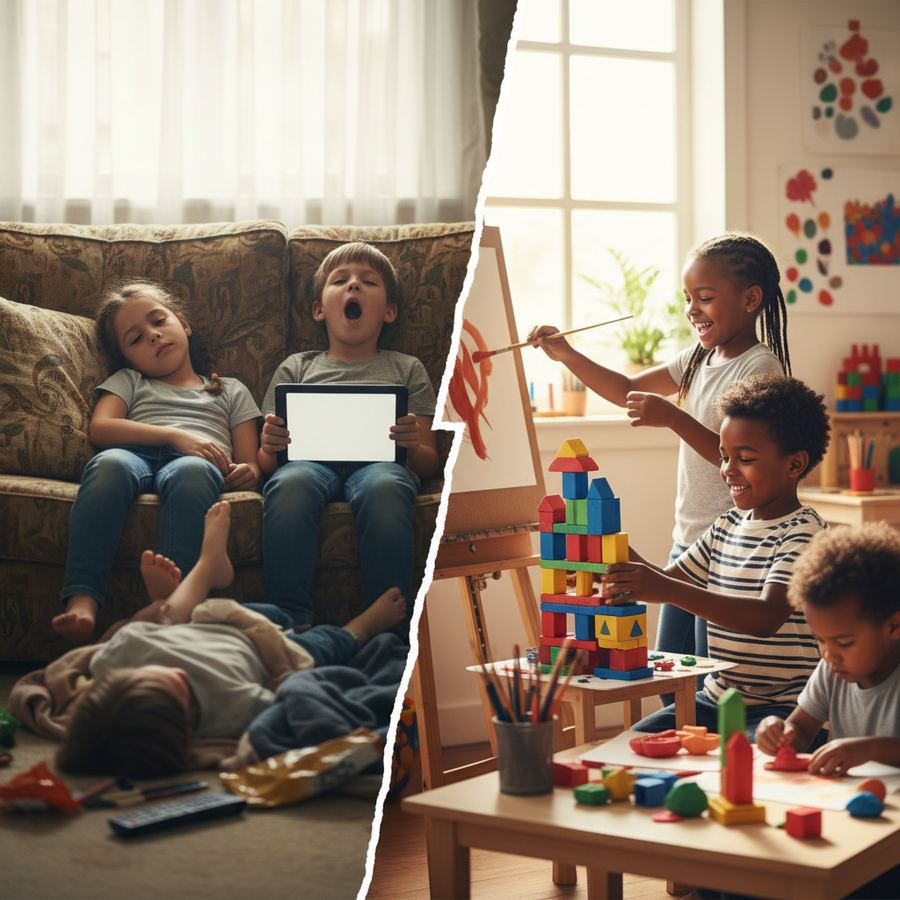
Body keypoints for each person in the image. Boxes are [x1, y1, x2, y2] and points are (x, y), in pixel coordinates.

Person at [529, 234, 791, 670]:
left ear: (750, 299)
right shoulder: (696, 358)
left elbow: (742, 459)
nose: (692, 310)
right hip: (688, 542)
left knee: (710, 675)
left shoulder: (759, 368)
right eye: (688, 298)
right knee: (674, 666)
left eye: (704, 298)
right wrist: (567, 355)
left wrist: (673, 418)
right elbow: (628, 389)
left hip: (733, 549)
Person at [54, 501, 406, 777]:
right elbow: (287, 693)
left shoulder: (115, 659)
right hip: (269, 647)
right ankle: (361, 627)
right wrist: (278, 663)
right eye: (183, 701)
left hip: (219, 619)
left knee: (164, 619)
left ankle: (204, 569)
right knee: (322, 646)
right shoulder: (231, 710)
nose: (180, 677)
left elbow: (94, 668)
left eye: (159, 680)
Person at [601, 374, 829, 739]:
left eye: (745, 458)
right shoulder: (726, 525)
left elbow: (766, 617)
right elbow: (665, 580)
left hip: (785, 711)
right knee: (631, 744)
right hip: (715, 701)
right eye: (724, 457)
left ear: (794, 464)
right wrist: (604, 545)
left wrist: (668, 590)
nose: (728, 470)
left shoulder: (804, 534)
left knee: (756, 765)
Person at [52, 281, 262, 643]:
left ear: (183, 323)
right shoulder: (129, 381)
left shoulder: (231, 389)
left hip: (195, 464)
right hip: (133, 454)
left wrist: (248, 472)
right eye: (135, 339)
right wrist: (172, 435)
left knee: (192, 472)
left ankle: (170, 608)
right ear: (127, 357)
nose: (152, 336)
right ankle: (82, 600)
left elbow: (251, 463)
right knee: (108, 466)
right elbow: (101, 428)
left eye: (159, 321)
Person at [258, 242, 439, 629]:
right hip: (307, 465)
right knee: (290, 483)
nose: (353, 287)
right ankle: (289, 622)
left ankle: (385, 627)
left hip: (380, 468)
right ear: (319, 309)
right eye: (340, 280)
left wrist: (411, 443)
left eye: (367, 282)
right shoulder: (297, 367)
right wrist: (269, 445)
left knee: (386, 487)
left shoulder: (407, 368)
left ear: (389, 311)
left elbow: (427, 460)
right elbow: (266, 464)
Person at [755, 523, 900, 771]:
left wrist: (869, 749)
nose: (829, 655)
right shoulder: (831, 669)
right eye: (820, 640)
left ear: (894, 626)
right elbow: (800, 729)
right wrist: (780, 733)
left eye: (844, 643)